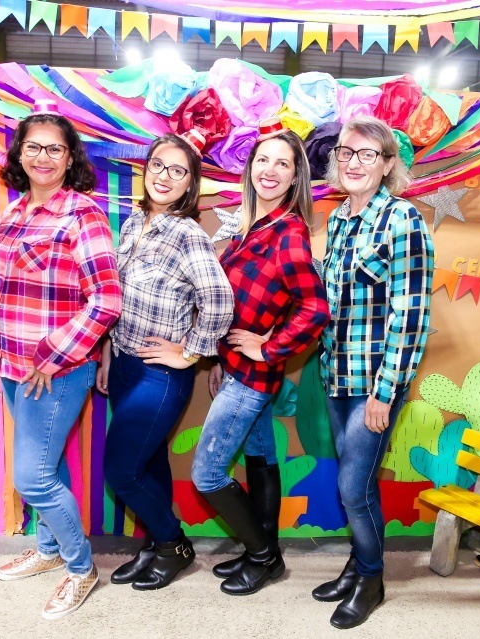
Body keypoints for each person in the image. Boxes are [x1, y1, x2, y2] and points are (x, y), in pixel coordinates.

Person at [0, 99, 121, 620]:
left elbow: (106, 300)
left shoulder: (83, 214)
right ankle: (48, 548)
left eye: (55, 149)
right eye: (34, 147)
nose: (43, 157)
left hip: (55, 371)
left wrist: (49, 356)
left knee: (33, 477)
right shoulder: (13, 213)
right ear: (19, 154)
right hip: (12, 367)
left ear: (69, 158)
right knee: (48, 464)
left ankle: (80, 568)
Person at [191, 119, 330, 596]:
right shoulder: (255, 224)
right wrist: (221, 357)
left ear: (295, 176)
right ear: (250, 167)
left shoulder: (288, 232)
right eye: (263, 160)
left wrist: (268, 348)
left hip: (254, 375)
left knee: (207, 473)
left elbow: (315, 308)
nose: (270, 170)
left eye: (283, 164)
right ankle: (263, 551)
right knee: (260, 454)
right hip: (239, 369)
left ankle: (263, 555)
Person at [97, 131, 234, 591]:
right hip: (123, 362)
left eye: (178, 170)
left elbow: (218, 299)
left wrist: (190, 351)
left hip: (159, 375)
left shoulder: (187, 233)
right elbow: (116, 296)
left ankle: (175, 544)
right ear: (146, 169)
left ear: (190, 183)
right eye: (158, 165)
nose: (164, 176)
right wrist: (107, 352)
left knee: (121, 470)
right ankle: (156, 544)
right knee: (148, 463)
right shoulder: (133, 223)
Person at [314, 115, 434, 629]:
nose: (354, 162)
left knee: (352, 485)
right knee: (358, 484)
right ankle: (356, 565)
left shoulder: (403, 220)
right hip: (336, 376)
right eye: (346, 152)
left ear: (387, 164)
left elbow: (411, 315)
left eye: (367, 154)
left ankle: (371, 578)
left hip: (374, 384)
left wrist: (384, 393)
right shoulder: (340, 219)